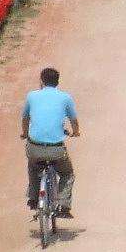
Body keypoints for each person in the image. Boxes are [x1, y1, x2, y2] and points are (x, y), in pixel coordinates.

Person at [22, 67, 78, 217]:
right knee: (67, 173)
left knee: (33, 167)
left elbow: (25, 118)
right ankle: (64, 206)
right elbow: (73, 120)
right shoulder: (65, 97)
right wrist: (75, 132)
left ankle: (33, 198)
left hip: (35, 147)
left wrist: (24, 133)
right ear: (57, 82)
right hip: (56, 150)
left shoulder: (31, 96)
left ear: (41, 81)